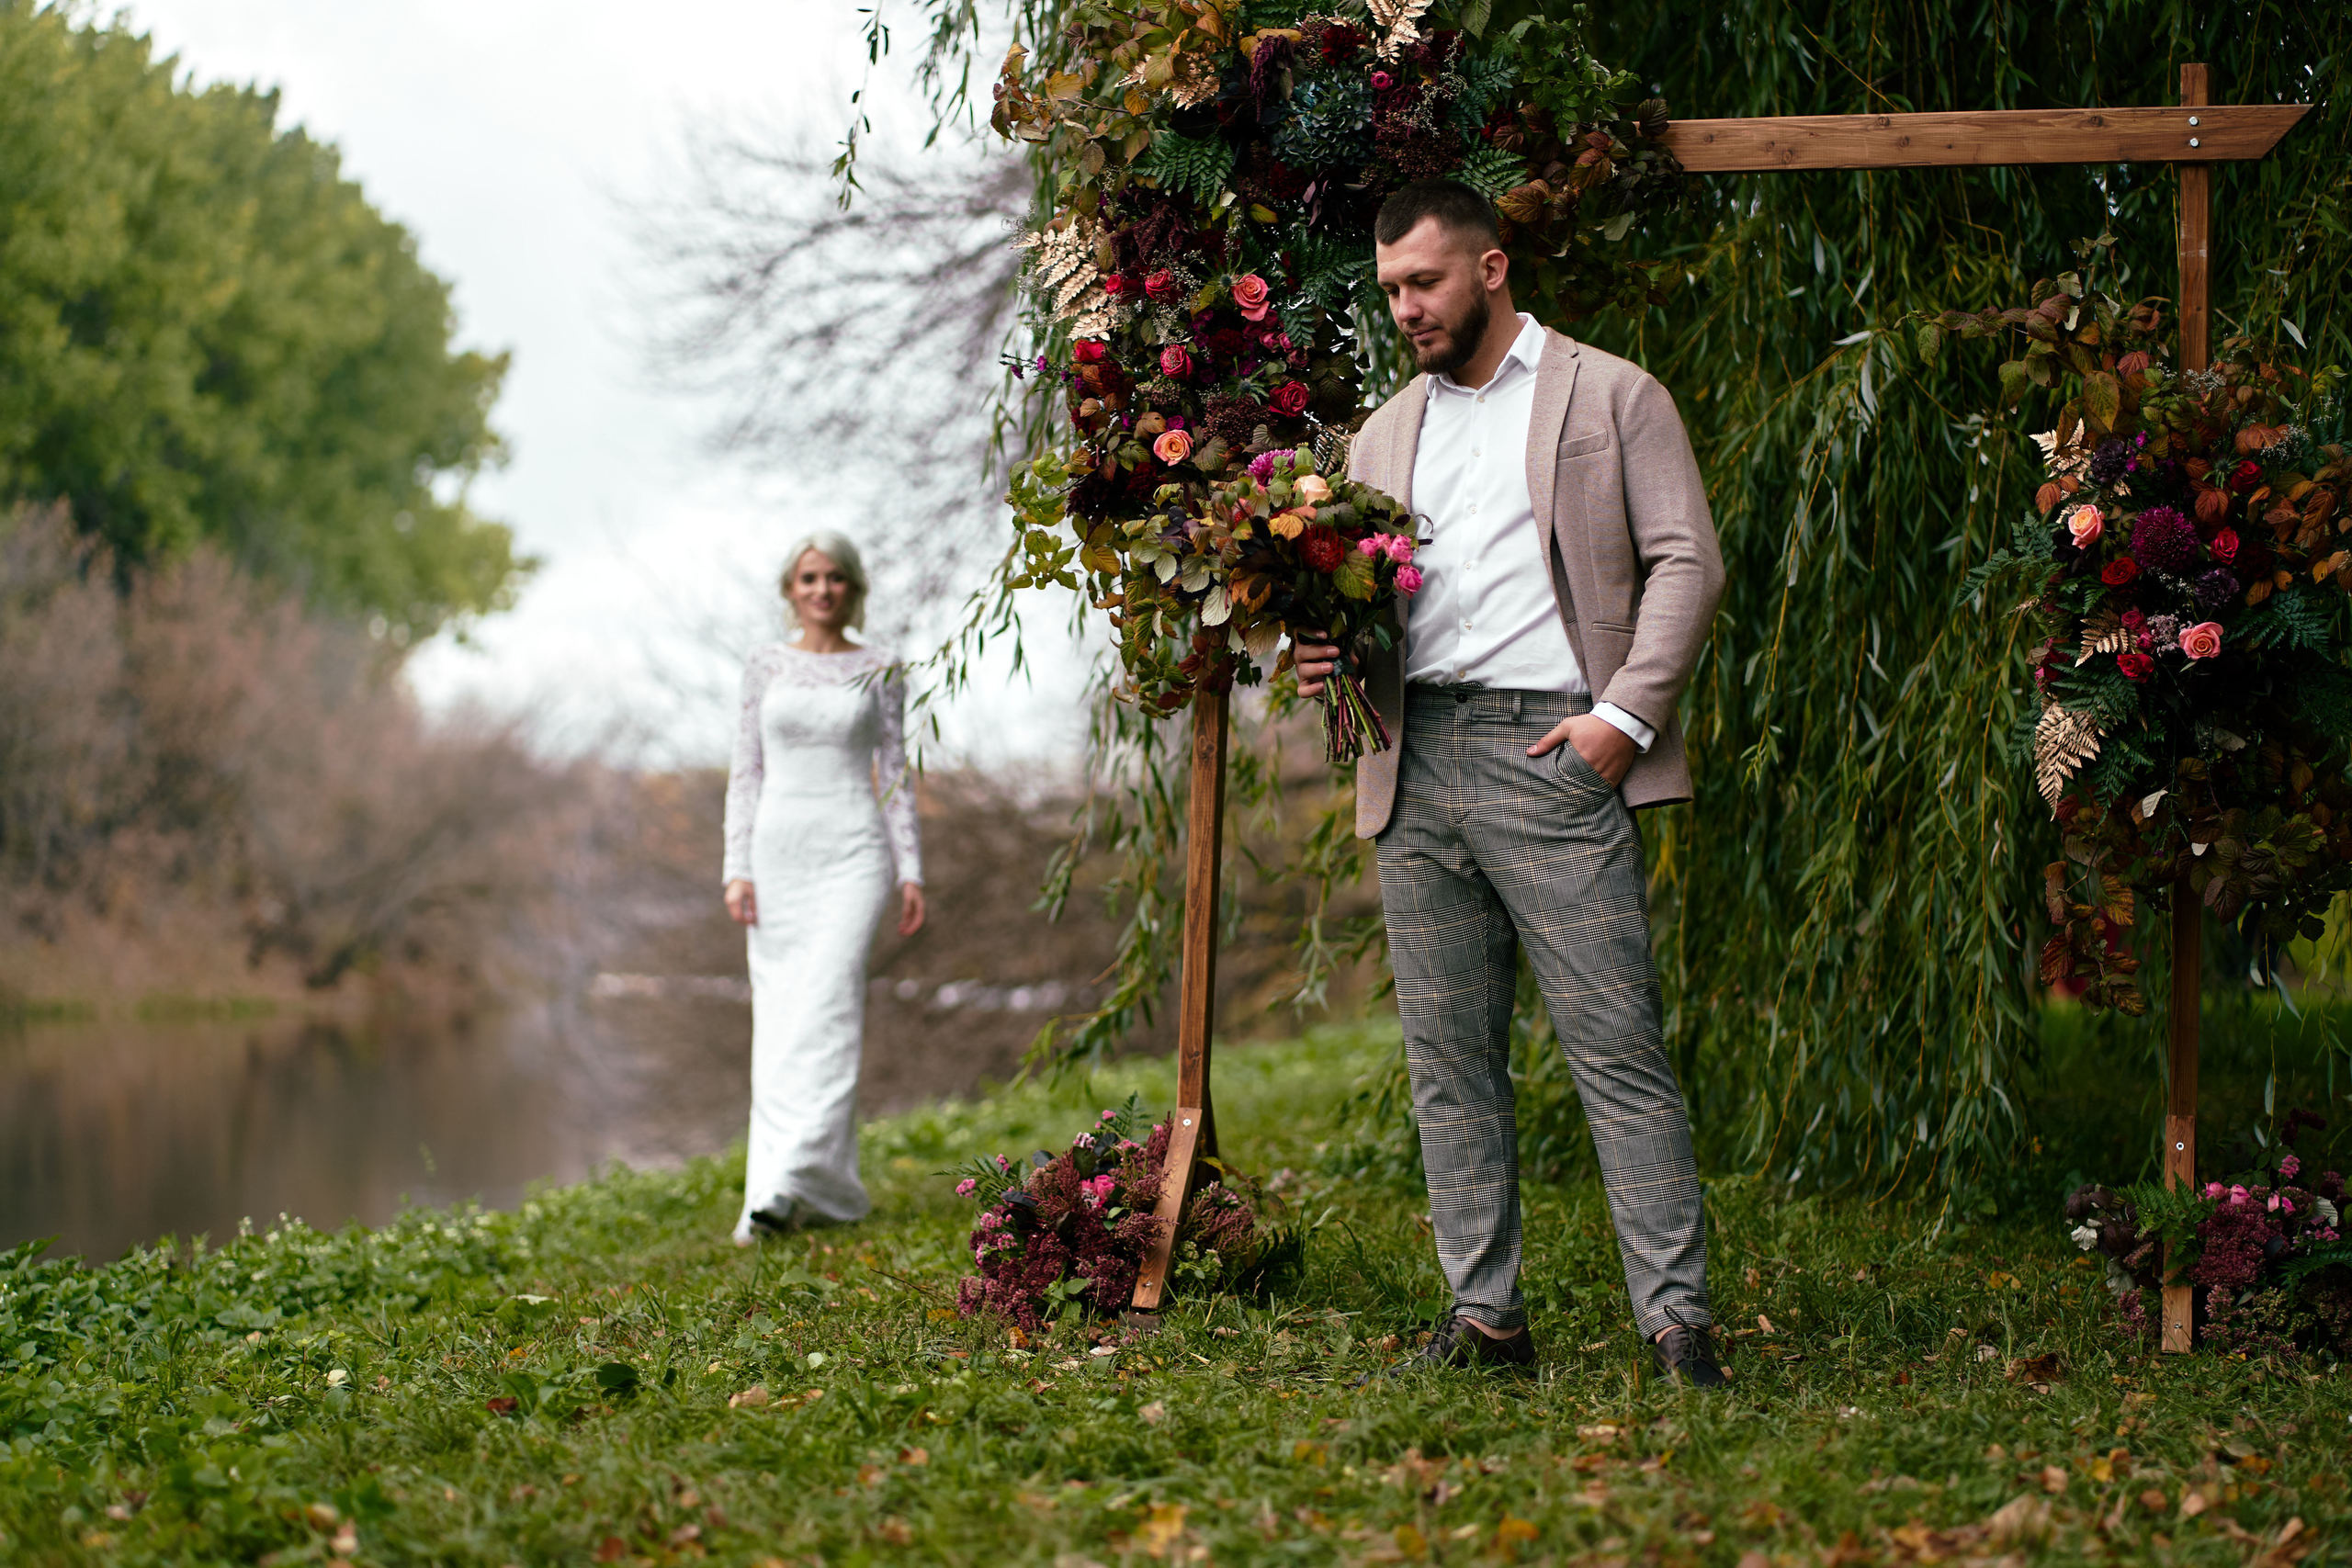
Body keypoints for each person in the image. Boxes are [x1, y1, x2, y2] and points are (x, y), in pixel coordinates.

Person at [1295, 180, 1728, 1385]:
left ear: (1491, 268)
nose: (1405, 310)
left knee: (1615, 1040)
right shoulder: (1382, 434)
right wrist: (1329, 644)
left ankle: (1677, 1321)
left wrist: (1623, 717)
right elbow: (1363, 596)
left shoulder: (1611, 392)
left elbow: (1689, 556)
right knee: (1446, 1052)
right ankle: (1486, 1317)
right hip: (1414, 756)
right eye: (1389, 291)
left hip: (1557, 752)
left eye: (1422, 283)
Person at [720, 532, 925, 1243]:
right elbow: (745, 770)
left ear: (853, 587)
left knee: (830, 1006)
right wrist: (735, 867)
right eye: (809, 576)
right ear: (790, 588)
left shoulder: (881, 667)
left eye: (835, 576)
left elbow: (895, 773)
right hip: (777, 857)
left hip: (853, 855)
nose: (822, 589)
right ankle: (789, 1188)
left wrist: (911, 868)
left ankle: (798, 1174)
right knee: (781, 1022)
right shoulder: (764, 666)